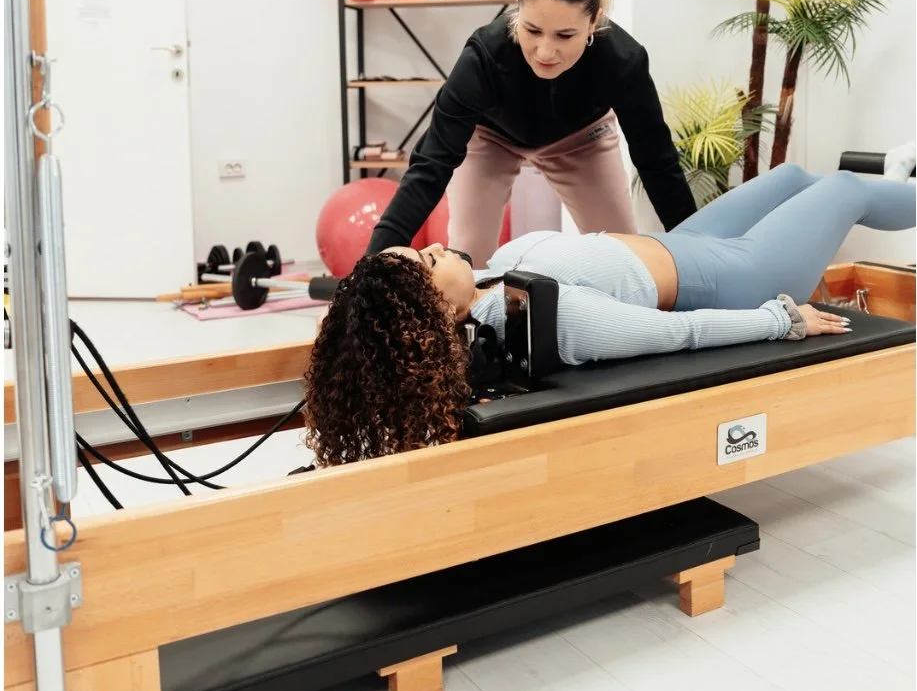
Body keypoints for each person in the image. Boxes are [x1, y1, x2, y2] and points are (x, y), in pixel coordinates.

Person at [303, 164, 915, 466]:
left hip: (686, 244)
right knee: (843, 188)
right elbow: (680, 333)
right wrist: (783, 320)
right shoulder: (544, 317)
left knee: (792, 177)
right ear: (436, 308)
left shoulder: (494, 273)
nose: (437, 245)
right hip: (739, 275)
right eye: (430, 261)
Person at [364, 0, 696, 266]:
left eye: (564, 35)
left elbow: (657, 161)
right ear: (518, 10)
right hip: (490, 136)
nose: (544, 51)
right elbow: (430, 164)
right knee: (467, 260)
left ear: (594, 21)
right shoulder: (484, 57)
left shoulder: (623, 61)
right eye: (532, 30)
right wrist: (366, 270)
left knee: (620, 258)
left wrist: (699, 254)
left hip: (582, 138)